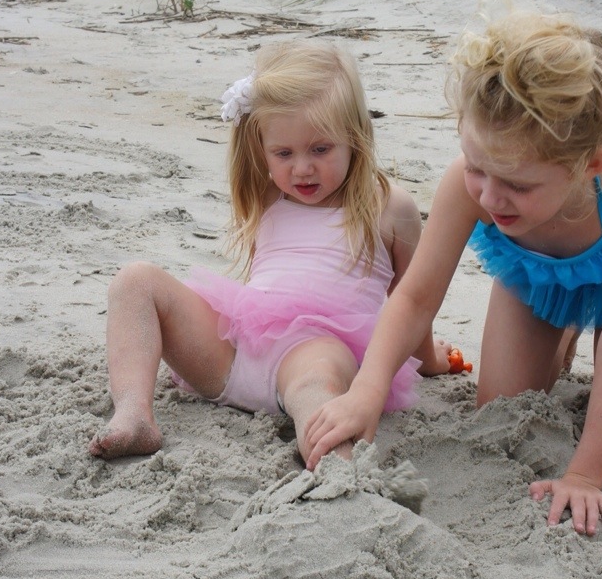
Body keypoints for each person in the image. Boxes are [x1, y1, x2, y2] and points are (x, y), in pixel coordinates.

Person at [306, 0, 602, 535]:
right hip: (534, 275)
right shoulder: (473, 182)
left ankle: (583, 325)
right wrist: (366, 391)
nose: (489, 196)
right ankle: (562, 328)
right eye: (477, 167)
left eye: (518, 184)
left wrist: (584, 474)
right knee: (500, 403)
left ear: (591, 164)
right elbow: (414, 297)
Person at [89, 41, 448, 467]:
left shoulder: (389, 208)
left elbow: (414, 300)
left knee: (317, 380)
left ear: (355, 136)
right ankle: (134, 413)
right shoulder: (267, 195)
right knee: (135, 280)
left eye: (321, 149)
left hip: (316, 353)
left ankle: (336, 466)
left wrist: (428, 360)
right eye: (283, 153)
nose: (302, 168)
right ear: (262, 149)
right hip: (232, 352)